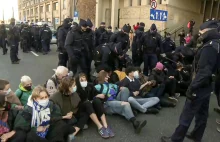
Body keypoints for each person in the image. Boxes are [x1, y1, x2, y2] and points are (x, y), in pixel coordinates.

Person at [161, 20, 220, 142]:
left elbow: (204, 71)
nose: (199, 34)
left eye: (201, 31)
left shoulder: (209, 47)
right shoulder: (214, 44)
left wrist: (192, 87)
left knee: (186, 115)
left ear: (209, 31)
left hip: (200, 86)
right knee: (202, 114)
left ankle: (175, 139)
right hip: (207, 85)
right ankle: (196, 135)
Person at [75, 73, 115, 138]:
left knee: (96, 100)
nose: (84, 82)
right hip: (83, 109)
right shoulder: (76, 90)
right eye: (82, 80)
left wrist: (98, 96)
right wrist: (92, 99)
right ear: (78, 81)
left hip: (92, 108)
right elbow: (78, 103)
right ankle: (100, 127)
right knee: (87, 103)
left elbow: (99, 95)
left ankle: (105, 125)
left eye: (85, 80)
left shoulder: (90, 86)